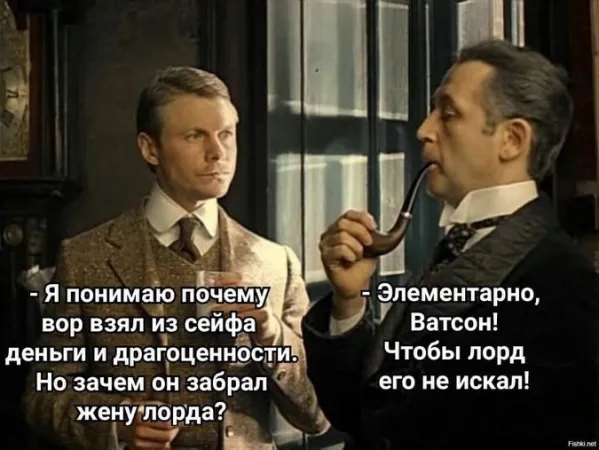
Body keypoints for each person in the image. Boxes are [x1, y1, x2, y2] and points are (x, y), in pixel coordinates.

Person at [302, 39, 598, 450]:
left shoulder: (567, 289)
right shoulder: (456, 248)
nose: (424, 130)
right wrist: (348, 303)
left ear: (512, 140)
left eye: (449, 113)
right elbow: (365, 412)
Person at [21, 66, 328, 450]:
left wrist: (270, 334)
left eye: (226, 134)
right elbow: (43, 397)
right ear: (151, 149)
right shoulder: (84, 258)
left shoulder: (275, 263)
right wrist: (117, 422)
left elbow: (315, 415)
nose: (218, 152)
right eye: (195, 136)